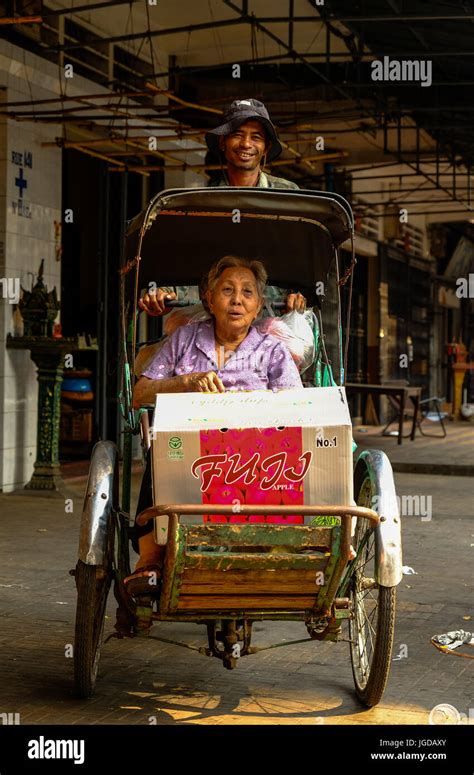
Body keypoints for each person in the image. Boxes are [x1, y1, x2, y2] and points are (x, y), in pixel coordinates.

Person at [124, 255, 303, 596]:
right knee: (162, 449)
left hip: (255, 459)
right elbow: (140, 394)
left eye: (247, 292)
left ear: (258, 304)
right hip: (189, 452)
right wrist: (185, 383)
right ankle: (149, 561)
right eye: (227, 290)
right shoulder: (184, 340)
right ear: (208, 298)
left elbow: (296, 411)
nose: (237, 299)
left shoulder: (272, 350)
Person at [138, 98, 306, 320]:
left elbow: (301, 256)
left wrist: (299, 294)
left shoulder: (287, 195)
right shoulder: (202, 201)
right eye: (237, 134)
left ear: (265, 147)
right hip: (215, 321)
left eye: (256, 137)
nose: (246, 144)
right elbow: (186, 255)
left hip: (274, 317)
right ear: (222, 142)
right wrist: (165, 294)